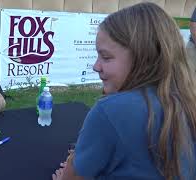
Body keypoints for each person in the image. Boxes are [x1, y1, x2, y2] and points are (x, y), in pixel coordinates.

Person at [52, 2, 196, 180]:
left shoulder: (111, 110)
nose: (96, 66)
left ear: (143, 58)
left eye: (106, 57)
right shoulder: (187, 102)